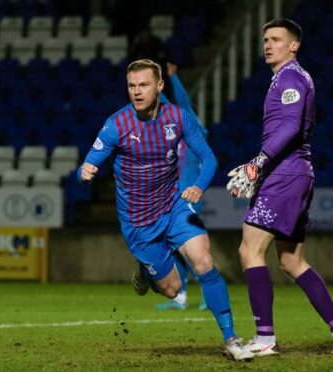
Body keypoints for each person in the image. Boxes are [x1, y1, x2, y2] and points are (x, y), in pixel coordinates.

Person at [79, 59, 253, 361]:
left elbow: (209, 159)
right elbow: (92, 156)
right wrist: (88, 167)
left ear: (159, 86)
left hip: (173, 207)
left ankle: (231, 339)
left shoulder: (178, 118)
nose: (137, 91)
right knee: (172, 290)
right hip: (138, 223)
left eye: (143, 85)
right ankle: (146, 274)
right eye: (132, 86)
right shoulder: (116, 124)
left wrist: (198, 185)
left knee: (204, 261)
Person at [226, 19, 333, 356]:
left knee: (249, 250)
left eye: (276, 39)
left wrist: (259, 162)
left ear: (294, 45)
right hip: (295, 176)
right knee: (291, 261)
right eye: (265, 39)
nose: (268, 44)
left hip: (283, 176)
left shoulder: (291, 78)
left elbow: (288, 127)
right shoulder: (285, 78)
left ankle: (265, 338)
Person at [156, 62, 207, 312]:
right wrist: (155, 91)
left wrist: (174, 79)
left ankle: (208, 293)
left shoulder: (192, 128)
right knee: (174, 246)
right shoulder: (177, 131)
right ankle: (181, 296)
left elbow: (183, 104)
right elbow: (166, 105)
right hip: (175, 198)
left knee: (191, 249)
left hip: (191, 197)